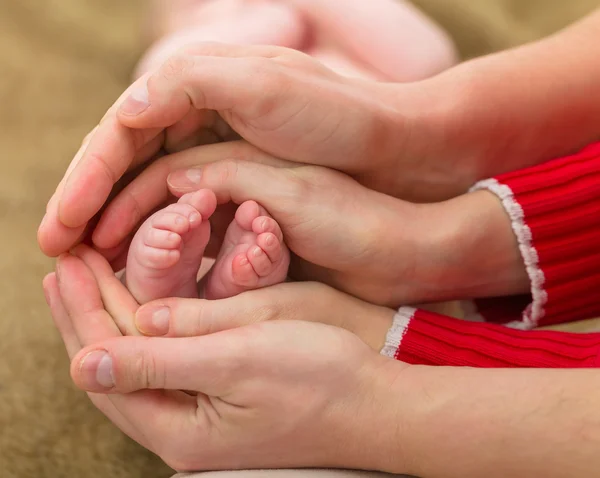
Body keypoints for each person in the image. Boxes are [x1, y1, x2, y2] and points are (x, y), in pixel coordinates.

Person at [39, 3, 600, 478]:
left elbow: (421, 55)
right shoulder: (194, 40)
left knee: (217, 236)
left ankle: (198, 285)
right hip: (306, 157)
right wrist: (422, 241)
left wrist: (377, 402)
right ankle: (179, 280)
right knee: (184, 227)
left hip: (323, 156)